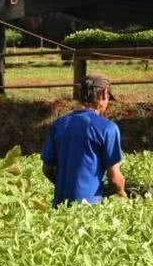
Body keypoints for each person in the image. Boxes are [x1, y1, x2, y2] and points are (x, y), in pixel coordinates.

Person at [41, 74, 125, 206]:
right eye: (108, 97)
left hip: (59, 207)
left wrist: (68, 186)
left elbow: (47, 169)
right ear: (104, 94)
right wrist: (122, 195)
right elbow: (114, 178)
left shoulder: (59, 124)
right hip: (90, 209)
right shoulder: (107, 128)